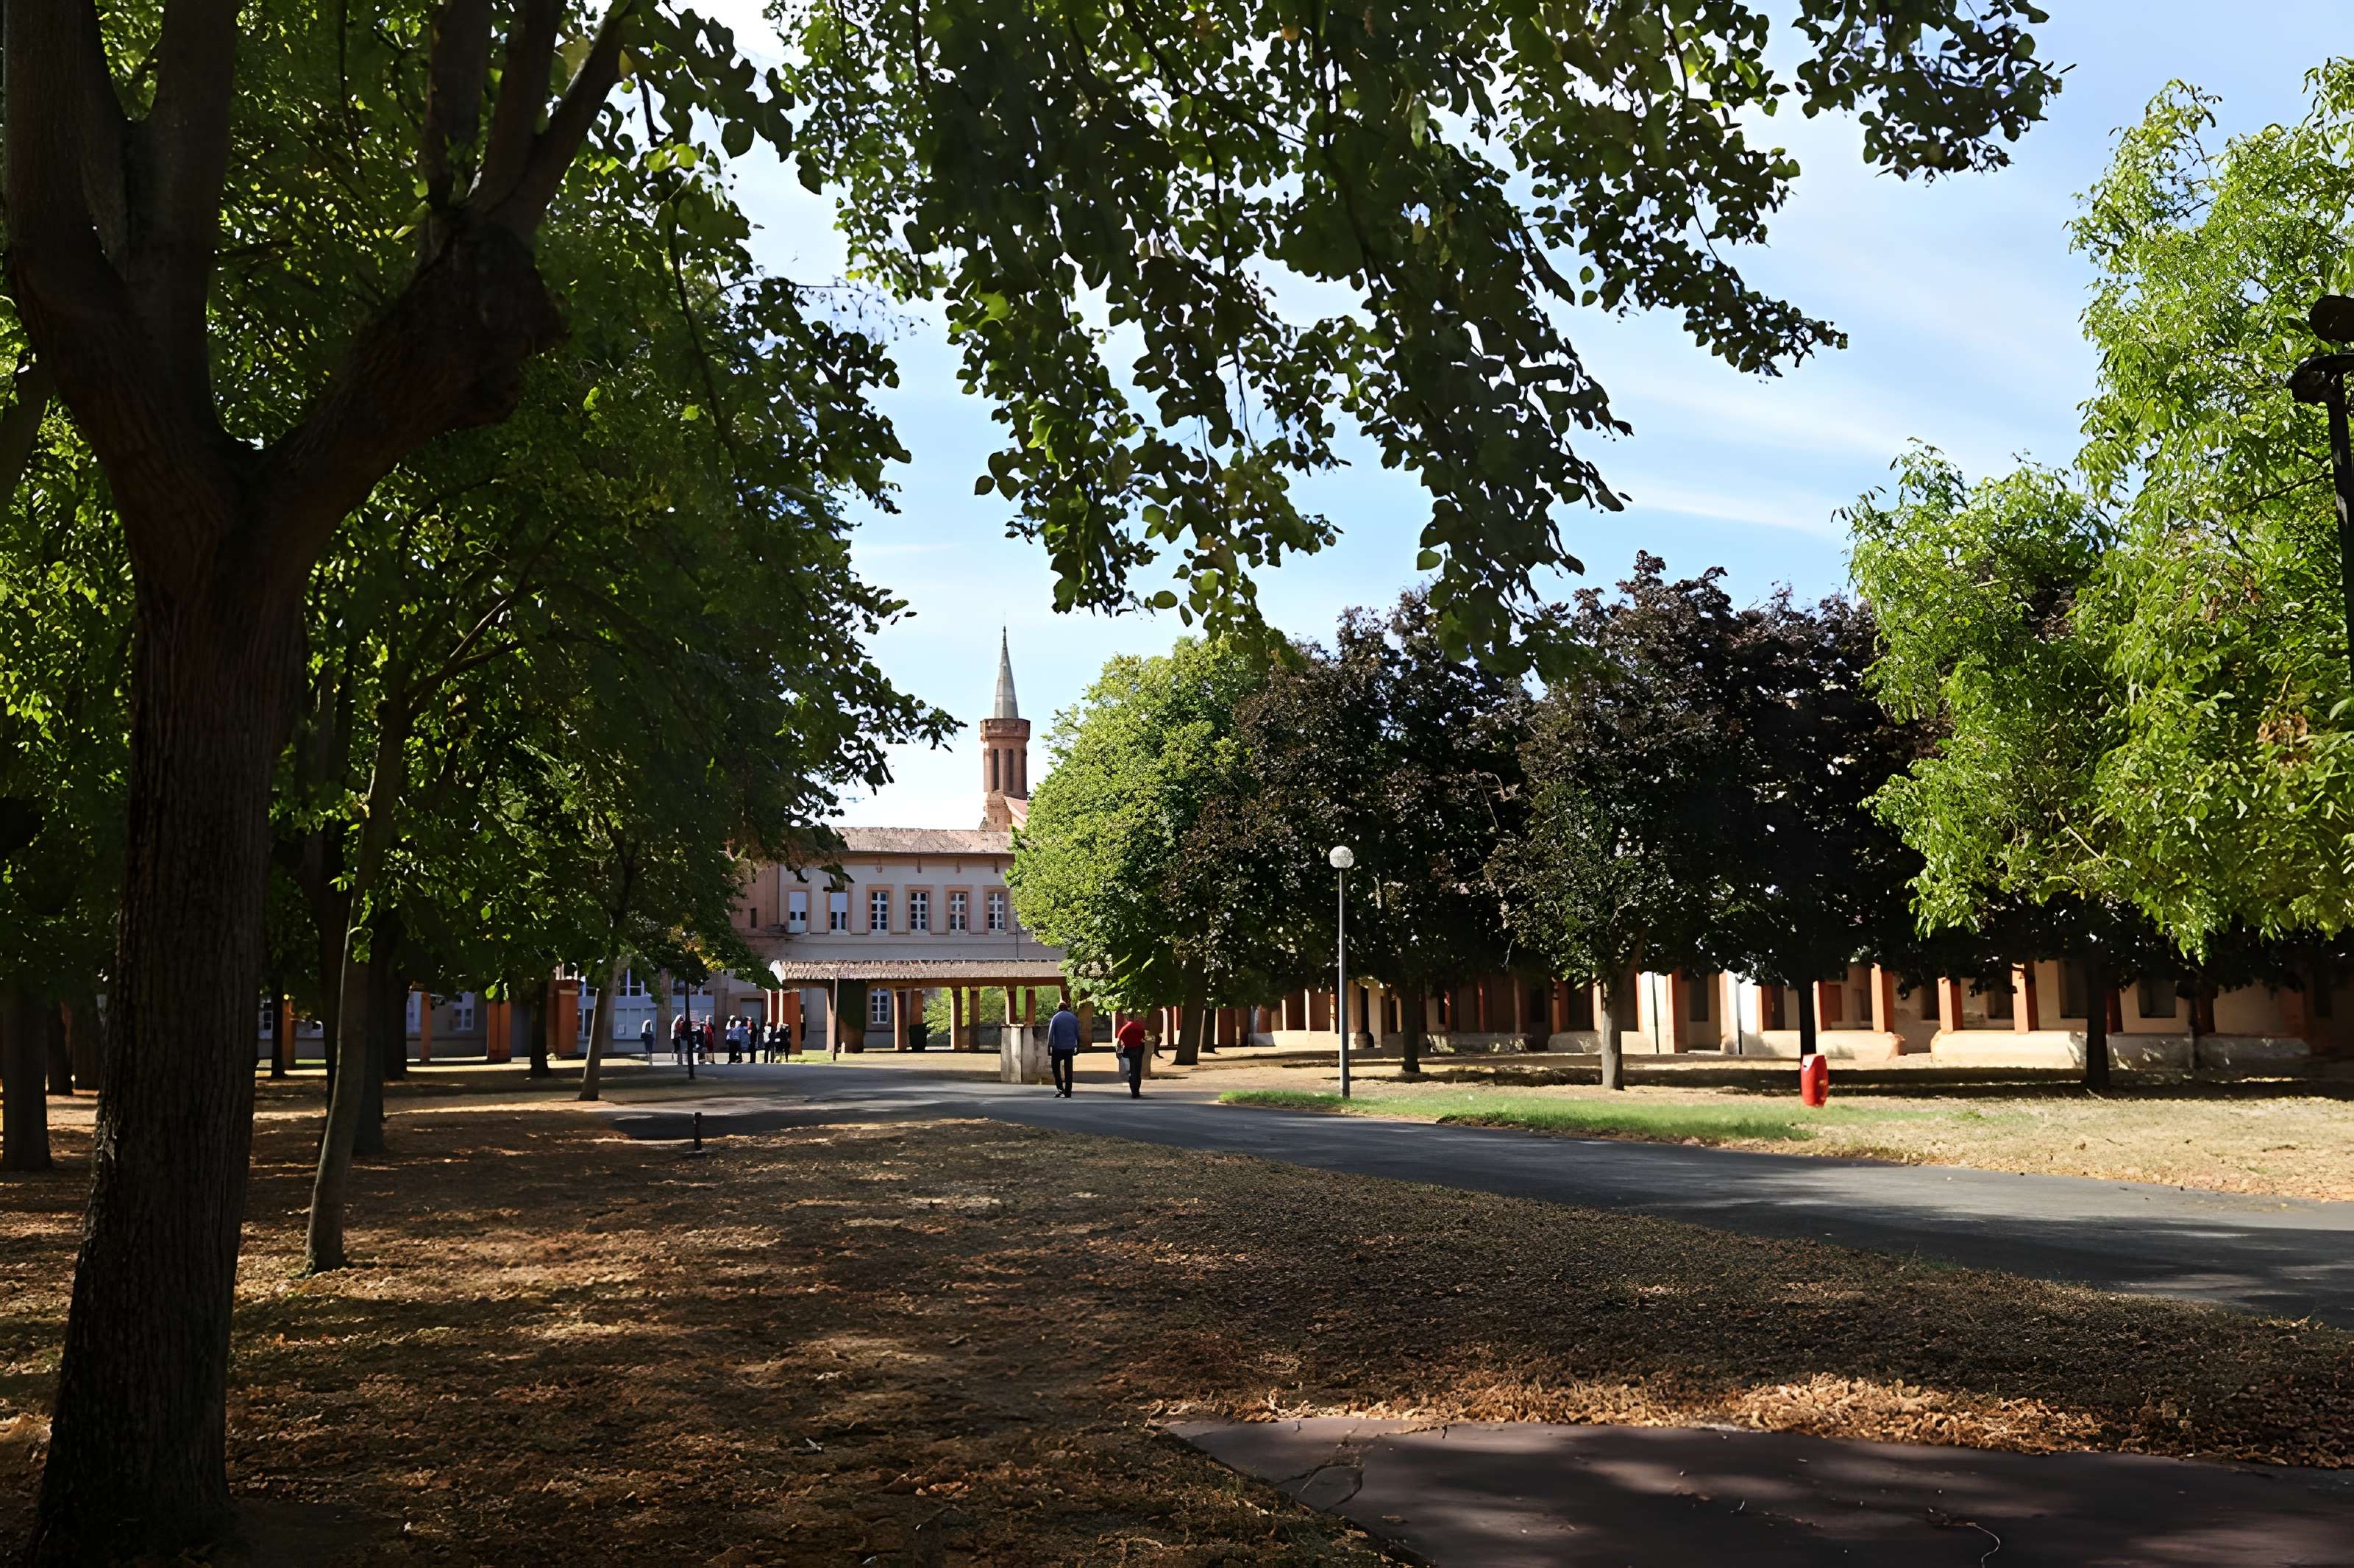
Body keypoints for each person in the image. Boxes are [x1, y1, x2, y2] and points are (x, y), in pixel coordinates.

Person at [1046, 999, 1082, 1097]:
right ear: (1067, 1008)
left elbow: (1050, 1034)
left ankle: (1060, 1088)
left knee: (1055, 1068)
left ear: (1059, 1009)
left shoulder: (1056, 1018)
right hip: (1069, 1048)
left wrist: (1049, 1047)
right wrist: (1078, 1046)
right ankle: (1068, 1092)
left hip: (1057, 1047)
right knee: (1068, 1070)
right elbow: (1077, 1033)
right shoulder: (1073, 1017)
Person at [1114, 1015, 1148, 1098]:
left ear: (1127, 1019)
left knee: (1132, 1072)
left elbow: (1120, 1036)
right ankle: (1137, 1091)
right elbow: (1143, 1036)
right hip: (1138, 1050)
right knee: (1137, 1071)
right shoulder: (1139, 1026)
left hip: (1128, 1050)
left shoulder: (1125, 1027)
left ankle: (1134, 1090)